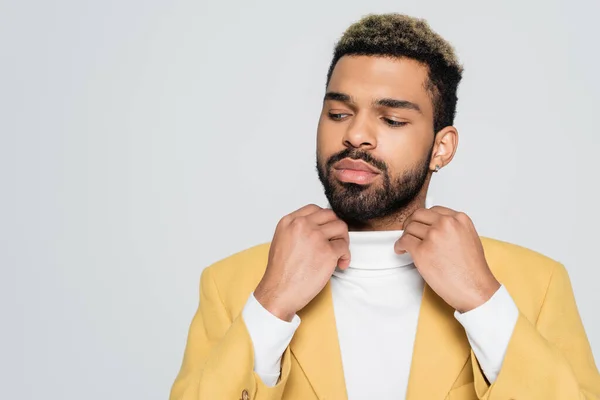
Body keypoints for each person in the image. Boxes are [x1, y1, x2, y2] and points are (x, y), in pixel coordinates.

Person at [169, 13, 600, 400]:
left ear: (441, 147)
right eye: (338, 114)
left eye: (392, 120)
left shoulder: (537, 284)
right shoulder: (231, 286)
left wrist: (483, 302)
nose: (356, 135)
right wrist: (272, 302)